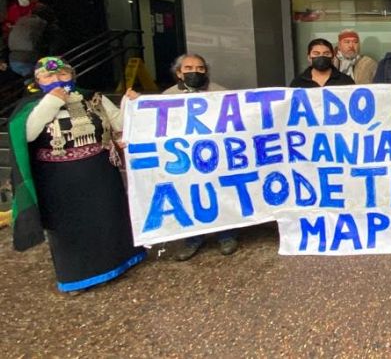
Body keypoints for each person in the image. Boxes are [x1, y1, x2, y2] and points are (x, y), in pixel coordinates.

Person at [8, 57, 146, 293]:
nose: (57, 81)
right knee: (70, 226)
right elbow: (27, 135)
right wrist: (52, 102)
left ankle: (118, 263)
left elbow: (120, 122)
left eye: (63, 75)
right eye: (49, 76)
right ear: (38, 80)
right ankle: (78, 276)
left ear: (72, 76)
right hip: (58, 179)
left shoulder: (92, 98)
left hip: (100, 172)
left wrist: (134, 105)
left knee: (108, 216)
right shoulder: (31, 106)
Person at [164, 53, 236, 260]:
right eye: (188, 68)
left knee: (221, 192)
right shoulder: (166, 97)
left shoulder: (221, 93)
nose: (194, 72)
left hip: (216, 155)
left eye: (200, 68)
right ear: (179, 73)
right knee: (190, 195)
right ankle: (193, 239)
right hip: (185, 159)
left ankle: (227, 235)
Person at [291, 39, 355, 88]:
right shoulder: (298, 83)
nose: (321, 56)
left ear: (332, 57)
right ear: (309, 57)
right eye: (316, 53)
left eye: (326, 54)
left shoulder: (346, 81)